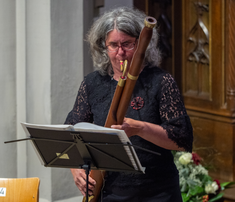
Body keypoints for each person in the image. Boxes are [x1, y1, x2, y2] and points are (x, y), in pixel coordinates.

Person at [64, 7, 193, 202]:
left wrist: (139, 128)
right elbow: (70, 135)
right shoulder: (92, 84)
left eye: (127, 44)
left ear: (142, 44)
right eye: (113, 45)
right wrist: (76, 171)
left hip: (157, 192)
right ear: (104, 47)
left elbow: (182, 140)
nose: (121, 53)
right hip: (109, 192)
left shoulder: (161, 81)